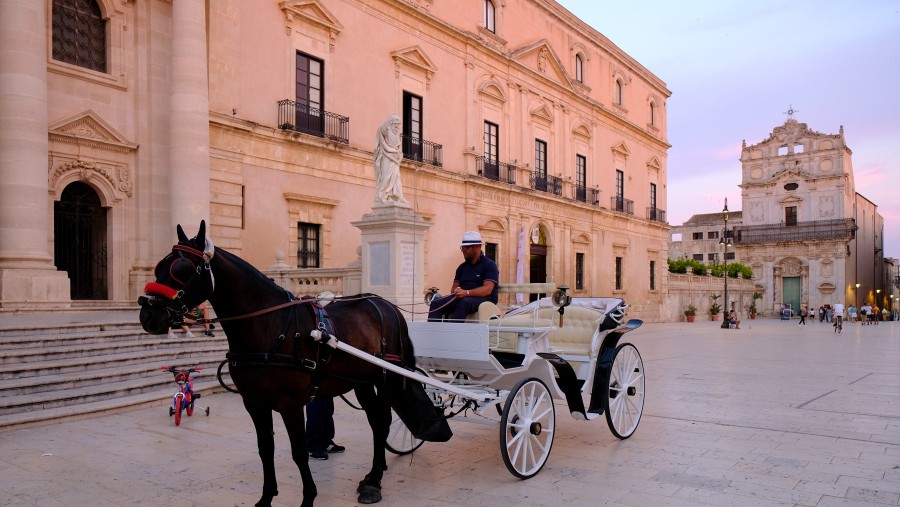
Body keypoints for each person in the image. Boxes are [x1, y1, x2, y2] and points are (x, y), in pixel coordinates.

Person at [428, 231, 499, 322]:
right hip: (464, 297)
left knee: (465, 303)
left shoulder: (489, 265)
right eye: (462, 247)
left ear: (476, 247)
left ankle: (453, 332)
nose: (462, 250)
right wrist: (457, 291)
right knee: (436, 303)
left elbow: (487, 289)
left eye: (466, 247)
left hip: (485, 299)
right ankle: (433, 333)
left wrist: (466, 293)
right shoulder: (462, 268)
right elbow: (454, 288)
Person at [373, 113, 408, 206]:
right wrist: (389, 119)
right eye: (395, 123)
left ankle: (399, 197)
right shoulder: (387, 130)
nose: (397, 126)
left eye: (398, 124)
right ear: (391, 123)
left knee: (397, 177)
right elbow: (381, 129)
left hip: (395, 159)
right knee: (386, 176)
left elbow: (399, 147)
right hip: (387, 157)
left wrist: (400, 155)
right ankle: (382, 196)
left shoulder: (397, 134)